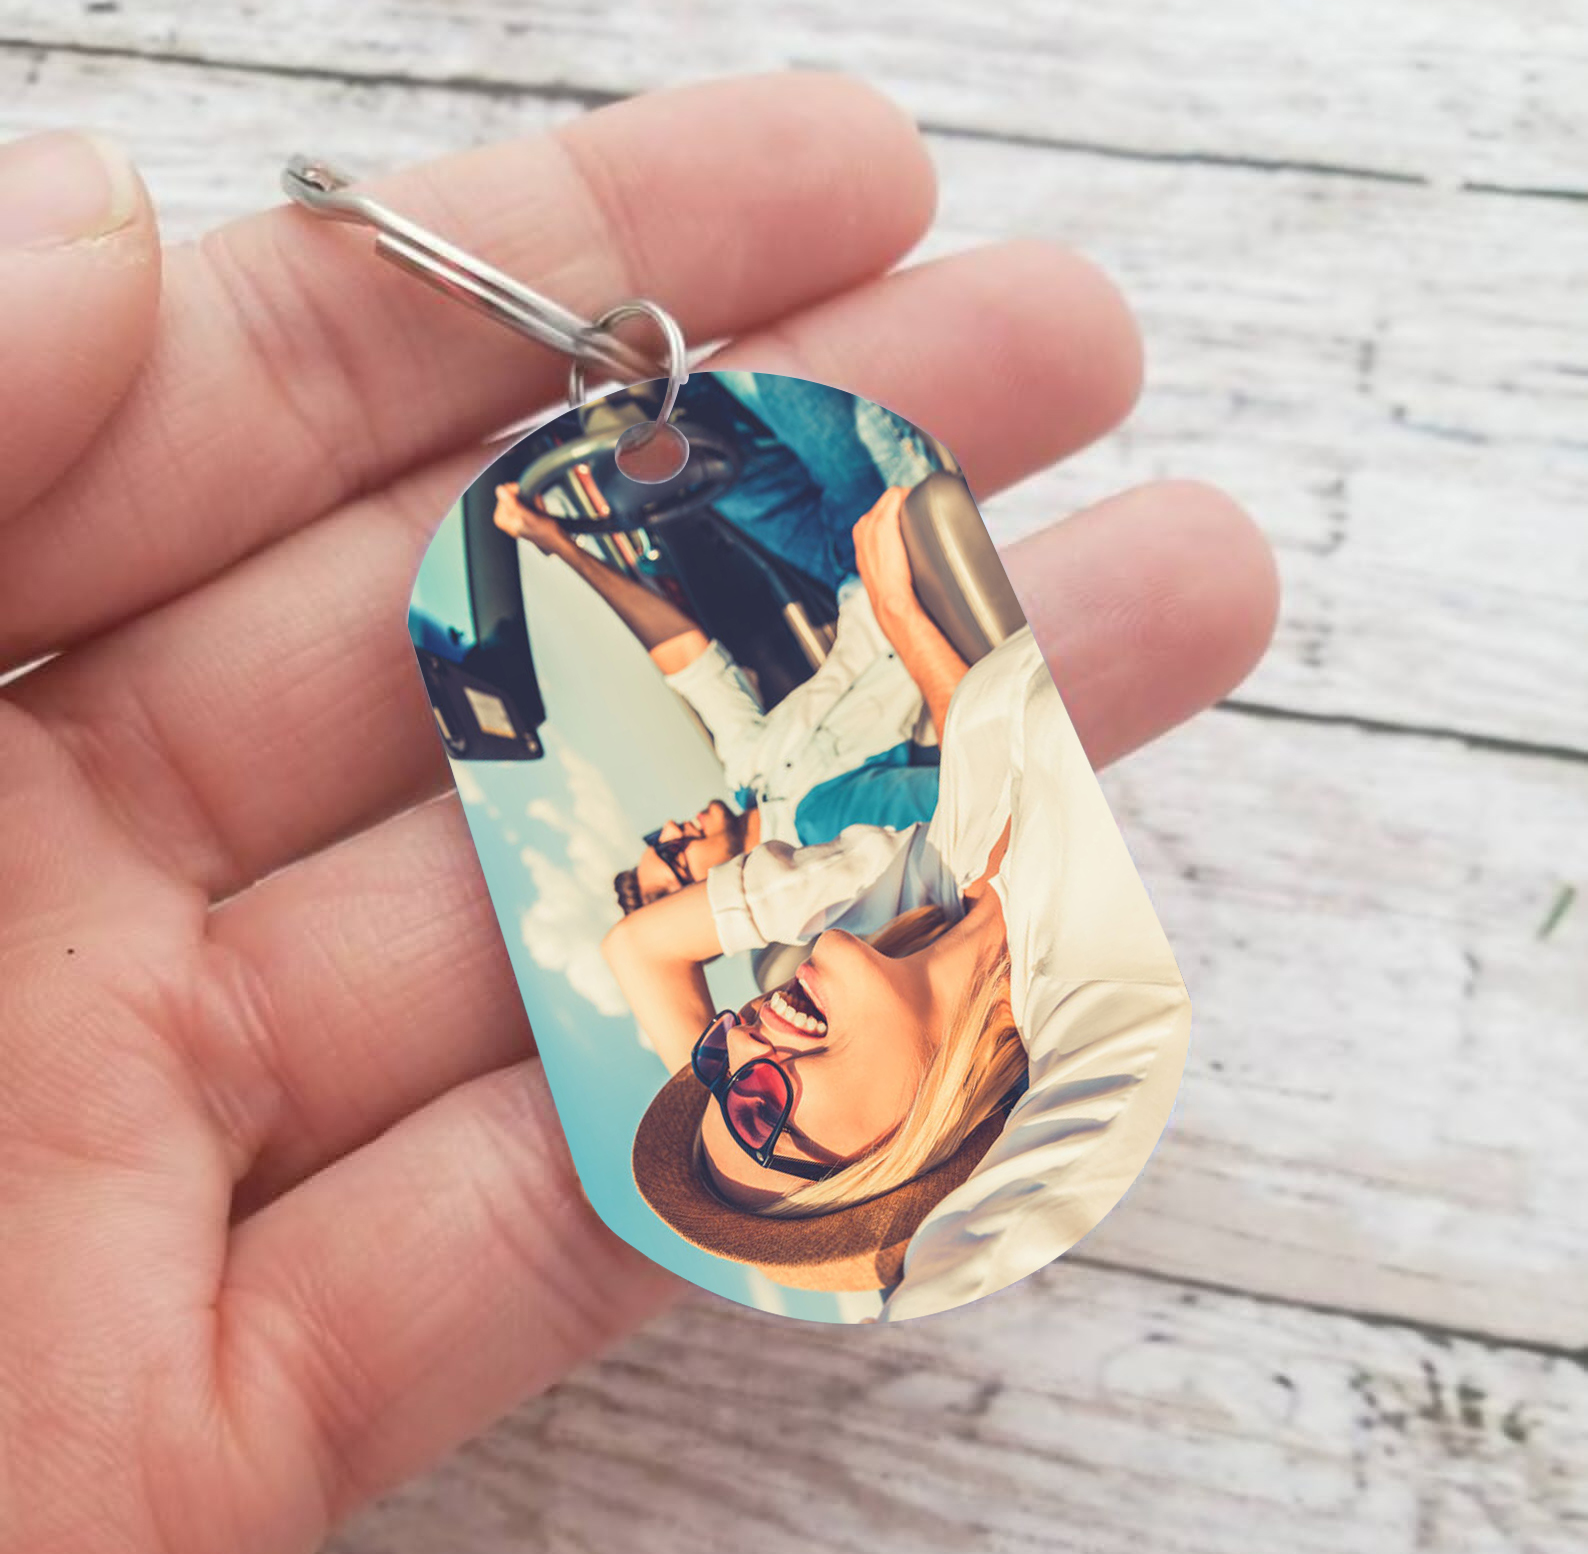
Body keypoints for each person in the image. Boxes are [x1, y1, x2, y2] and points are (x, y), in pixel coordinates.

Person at [0, 82, 1277, 1554]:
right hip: (839, 557)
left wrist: (570, 552)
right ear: (896, 1159)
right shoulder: (1007, 893)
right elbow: (904, 573)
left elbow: (645, 945)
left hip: (800, 601)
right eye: (770, 1122)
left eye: (722, 1075)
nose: (745, 1053)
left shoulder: (869, 875)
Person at [600, 622, 1192, 1306]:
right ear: (890, 1160)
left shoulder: (929, 871)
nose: (735, 1036)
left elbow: (634, 949)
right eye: (755, 1111)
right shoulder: (1101, 1016)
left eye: (713, 1061)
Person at [494, 481, 968, 910]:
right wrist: (895, 604)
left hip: (851, 577)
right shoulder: (823, 830)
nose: (672, 828)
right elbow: (973, 786)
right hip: (932, 593)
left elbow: (688, 658)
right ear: (710, 892)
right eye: (673, 854)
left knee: (718, 471)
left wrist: (559, 544)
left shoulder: (747, 771)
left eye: (656, 838)